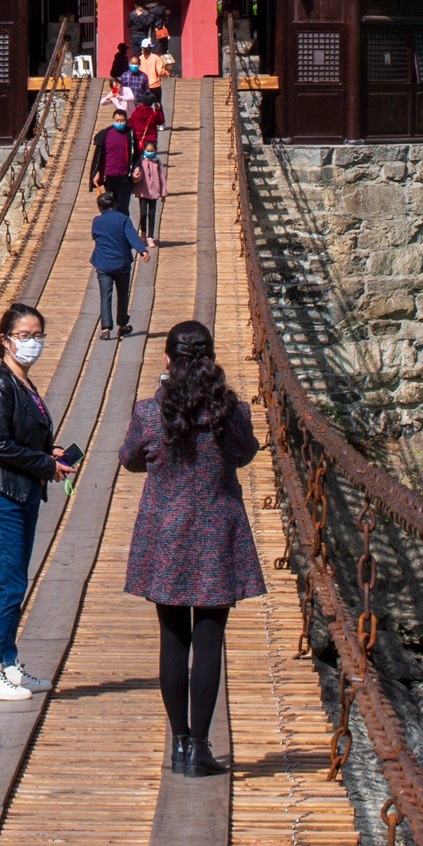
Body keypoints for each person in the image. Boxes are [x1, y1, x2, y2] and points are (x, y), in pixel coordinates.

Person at [119, 319, 271, 776]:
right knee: (209, 641)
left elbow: (129, 461)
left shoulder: (150, 412)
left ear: (167, 359)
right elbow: (245, 454)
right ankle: (200, 749)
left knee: (172, 639)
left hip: (165, 534)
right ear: (211, 359)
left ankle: (178, 745)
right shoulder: (232, 412)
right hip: (217, 532)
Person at [0, 302, 78, 700]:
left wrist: (54, 452)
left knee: (17, 581)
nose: (32, 343)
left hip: (22, 491)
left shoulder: (24, 384)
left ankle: (9, 665)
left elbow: (23, 436)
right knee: (9, 584)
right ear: (5, 340)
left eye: (37, 336)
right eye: (24, 336)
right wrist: (45, 464)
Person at [89, 186, 150, 337]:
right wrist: (142, 250)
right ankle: (122, 324)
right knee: (123, 294)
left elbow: (95, 236)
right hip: (121, 263)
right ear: (114, 204)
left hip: (103, 263)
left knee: (105, 294)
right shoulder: (123, 219)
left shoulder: (97, 221)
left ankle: (105, 329)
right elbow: (132, 236)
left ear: (100, 207)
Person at [91, 108, 136, 218]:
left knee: (124, 206)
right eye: (117, 120)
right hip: (109, 176)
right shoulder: (105, 134)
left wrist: (137, 167)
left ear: (126, 120)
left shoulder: (131, 134)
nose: (119, 123)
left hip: (125, 176)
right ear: (113, 120)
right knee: (112, 205)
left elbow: (137, 154)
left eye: (122, 120)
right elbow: (99, 157)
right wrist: (97, 172)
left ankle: (124, 229)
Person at [135, 125, 168, 241]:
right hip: (143, 192)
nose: (150, 153)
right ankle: (143, 231)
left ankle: (150, 236)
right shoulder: (140, 161)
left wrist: (163, 193)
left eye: (152, 151)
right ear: (143, 150)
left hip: (154, 192)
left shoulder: (157, 162)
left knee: (152, 214)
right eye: (147, 151)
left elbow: (162, 178)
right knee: (143, 213)